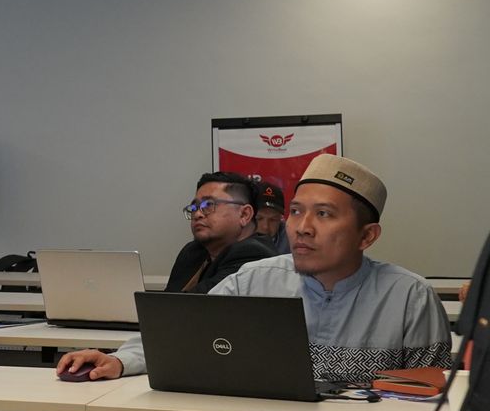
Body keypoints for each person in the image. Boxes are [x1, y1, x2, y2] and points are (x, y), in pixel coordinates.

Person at [58, 154, 452, 381]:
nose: (303, 227)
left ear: (367, 236)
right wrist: (119, 359)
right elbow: (181, 334)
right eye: (296, 212)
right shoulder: (255, 280)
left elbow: (429, 398)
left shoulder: (408, 298)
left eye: (325, 215)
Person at [163, 170, 274, 294]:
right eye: (194, 208)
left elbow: (196, 305)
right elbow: (168, 299)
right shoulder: (193, 251)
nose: (198, 214)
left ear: (244, 214)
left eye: (209, 205)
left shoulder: (254, 254)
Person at [253, 178, 292, 254]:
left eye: (273, 220)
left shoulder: (291, 238)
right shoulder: (233, 236)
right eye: (259, 218)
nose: (265, 227)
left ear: (281, 219)